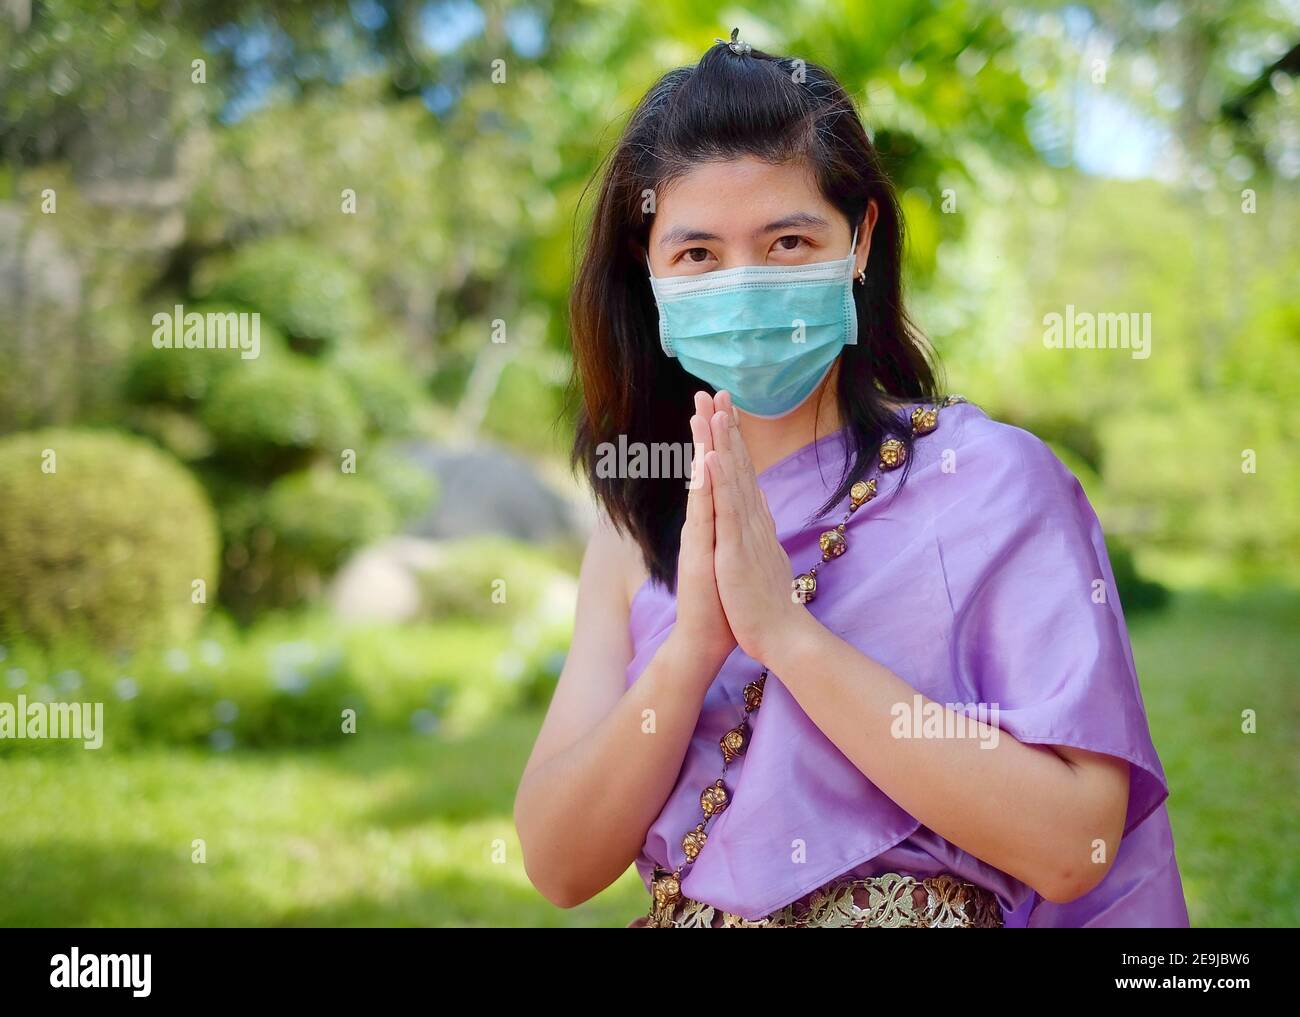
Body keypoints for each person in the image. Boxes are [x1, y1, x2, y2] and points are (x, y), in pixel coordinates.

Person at [513, 30, 1189, 928]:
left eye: (788, 240)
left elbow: (1078, 846)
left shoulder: (990, 482)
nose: (745, 283)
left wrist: (788, 636)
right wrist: (690, 652)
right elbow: (559, 864)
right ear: (649, 273)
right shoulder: (638, 525)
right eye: (698, 255)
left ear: (860, 239)